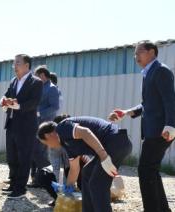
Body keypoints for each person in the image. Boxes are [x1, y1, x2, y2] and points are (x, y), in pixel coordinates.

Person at [108, 41, 175, 212]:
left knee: (145, 170)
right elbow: (148, 104)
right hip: (154, 129)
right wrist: (127, 112)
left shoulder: (161, 71)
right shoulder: (148, 72)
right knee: (150, 170)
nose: (135, 57)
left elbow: (170, 100)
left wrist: (171, 126)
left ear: (151, 52)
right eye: (134, 54)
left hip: (161, 130)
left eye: (139, 53)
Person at [38, 116, 132, 212]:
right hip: (113, 145)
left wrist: (103, 156)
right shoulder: (67, 145)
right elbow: (74, 169)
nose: (48, 146)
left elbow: (85, 132)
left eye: (46, 143)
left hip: (116, 140)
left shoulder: (62, 128)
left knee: (96, 183)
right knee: (87, 172)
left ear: (49, 135)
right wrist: (67, 188)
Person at [0, 54, 43, 199]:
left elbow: (34, 102)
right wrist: (3, 100)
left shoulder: (35, 82)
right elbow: (7, 95)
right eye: (14, 63)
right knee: (12, 157)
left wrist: (19, 106)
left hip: (26, 126)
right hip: (11, 124)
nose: (14, 66)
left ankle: (20, 189)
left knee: (24, 157)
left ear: (26, 66)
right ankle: (13, 184)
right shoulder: (13, 81)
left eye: (17, 63)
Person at [29, 65, 59, 186]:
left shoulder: (51, 88)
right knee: (35, 151)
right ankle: (38, 179)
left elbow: (54, 107)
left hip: (44, 126)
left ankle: (49, 177)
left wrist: (39, 113)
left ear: (42, 75)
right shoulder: (40, 87)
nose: (35, 78)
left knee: (37, 151)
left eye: (36, 76)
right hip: (36, 124)